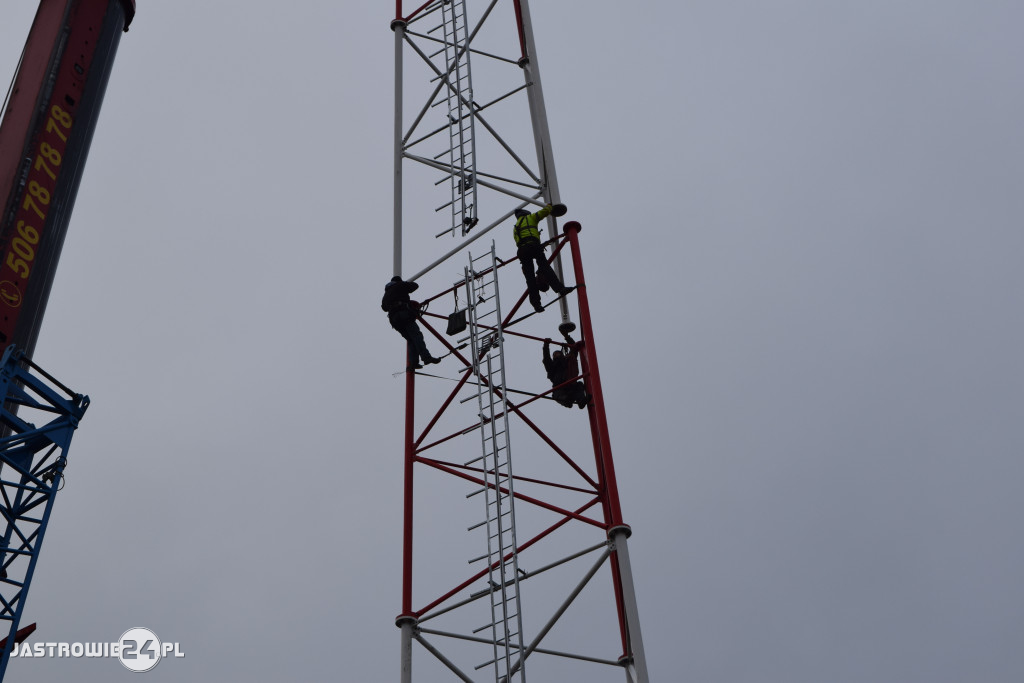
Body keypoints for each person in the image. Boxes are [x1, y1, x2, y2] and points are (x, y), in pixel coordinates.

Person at [512, 204, 570, 313]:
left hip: (522, 251)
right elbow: (543, 213)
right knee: (545, 267)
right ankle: (560, 289)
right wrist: (549, 206)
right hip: (533, 246)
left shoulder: (515, 227)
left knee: (530, 279)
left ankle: (536, 304)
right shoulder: (530, 218)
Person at [381, 276, 441, 369]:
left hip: (394, 320)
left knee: (411, 339)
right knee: (417, 336)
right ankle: (426, 357)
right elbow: (415, 286)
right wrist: (404, 284)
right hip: (403, 315)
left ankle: (413, 363)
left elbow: (384, 308)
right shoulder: (400, 285)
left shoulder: (386, 293)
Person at [542, 338, 589, 409]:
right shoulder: (551, 366)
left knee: (579, 385)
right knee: (562, 397)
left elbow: (574, 347)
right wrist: (546, 345)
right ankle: (567, 400)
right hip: (559, 388)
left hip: (570, 385)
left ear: (561, 354)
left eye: (556, 353)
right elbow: (546, 358)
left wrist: (566, 336)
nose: (555, 355)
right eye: (553, 354)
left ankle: (581, 401)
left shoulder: (568, 360)